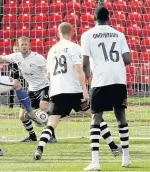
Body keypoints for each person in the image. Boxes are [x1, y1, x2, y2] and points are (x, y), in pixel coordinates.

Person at [33, 22, 121, 162]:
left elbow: (49, 75)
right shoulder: (74, 48)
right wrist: (85, 91)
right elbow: (79, 69)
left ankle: (39, 148)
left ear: (58, 33)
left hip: (56, 91)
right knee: (95, 116)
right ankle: (113, 147)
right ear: (72, 33)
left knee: (51, 124)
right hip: (74, 91)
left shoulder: (52, 50)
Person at [81, 7, 132, 171]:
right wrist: (115, 66)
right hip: (118, 79)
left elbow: (85, 63)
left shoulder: (87, 35)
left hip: (100, 80)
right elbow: (128, 58)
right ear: (108, 17)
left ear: (94, 18)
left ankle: (95, 162)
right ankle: (126, 158)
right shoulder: (119, 34)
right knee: (120, 116)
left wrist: (88, 76)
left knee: (96, 118)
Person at [0, 36, 52, 142]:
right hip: (31, 89)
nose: (23, 47)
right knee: (22, 116)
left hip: (43, 87)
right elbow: (1, 58)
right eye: (21, 45)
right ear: (18, 46)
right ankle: (32, 136)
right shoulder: (16, 56)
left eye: (25, 44)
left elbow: (49, 70)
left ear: (29, 45)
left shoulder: (38, 58)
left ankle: (51, 135)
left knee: (43, 107)